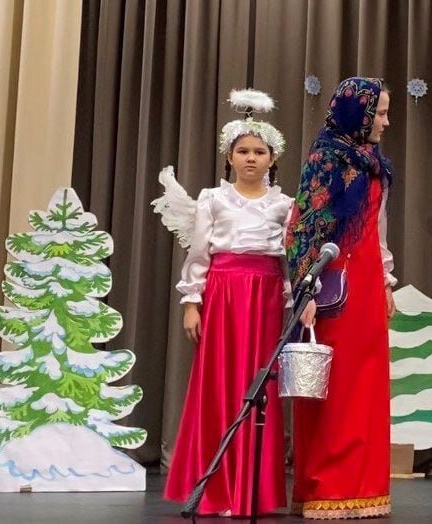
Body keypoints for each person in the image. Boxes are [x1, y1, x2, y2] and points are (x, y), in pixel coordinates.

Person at [156, 89, 291, 517]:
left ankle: (254, 489)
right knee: (219, 383)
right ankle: (215, 487)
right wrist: (191, 302)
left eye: (259, 151)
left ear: (272, 158)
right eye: (243, 151)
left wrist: (294, 300)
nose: (251, 158)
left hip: (266, 298)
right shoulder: (212, 200)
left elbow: (288, 259)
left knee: (258, 386)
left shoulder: (285, 205)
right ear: (229, 157)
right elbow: (199, 254)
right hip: (224, 294)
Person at [286, 77, 397, 519]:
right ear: (359, 114)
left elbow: (378, 227)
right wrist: (303, 288)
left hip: (368, 280)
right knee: (336, 387)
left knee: (366, 385)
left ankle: (363, 487)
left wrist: (387, 281)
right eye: (381, 113)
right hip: (332, 283)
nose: (386, 122)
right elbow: (303, 227)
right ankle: (327, 487)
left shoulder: (373, 162)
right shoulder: (326, 160)